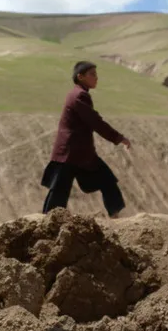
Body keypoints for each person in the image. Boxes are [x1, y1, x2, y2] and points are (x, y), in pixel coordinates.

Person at [41, 61, 131, 218]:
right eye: (92, 74)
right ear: (80, 76)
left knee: (62, 190)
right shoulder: (80, 96)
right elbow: (95, 122)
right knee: (63, 190)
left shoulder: (75, 93)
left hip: (76, 153)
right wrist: (119, 138)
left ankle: (115, 216)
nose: (96, 78)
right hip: (72, 152)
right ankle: (115, 217)